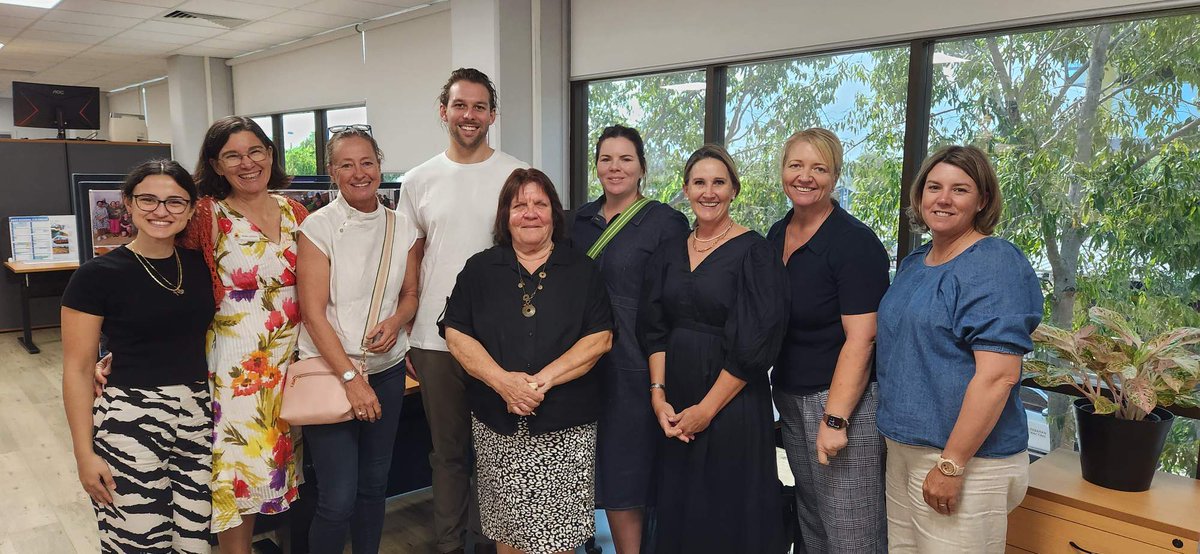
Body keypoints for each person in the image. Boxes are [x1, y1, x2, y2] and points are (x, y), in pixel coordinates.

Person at [876, 145, 1043, 553]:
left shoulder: (994, 263)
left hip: (966, 461)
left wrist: (951, 465)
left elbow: (998, 376)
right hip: (905, 450)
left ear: (982, 200)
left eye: (960, 189)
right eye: (934, 187)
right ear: (920, 195)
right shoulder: (917, 262)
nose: (944, 199)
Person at [442, 168, 614, 554]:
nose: (530, 213)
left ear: (555, 212)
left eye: (540, 204)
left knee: (560, 536)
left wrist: (538, 383)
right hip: (498, 425)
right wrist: (504, 382)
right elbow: (456, 333)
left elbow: (600, 339)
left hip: (566, 428)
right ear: (505, 215)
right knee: (509, 532)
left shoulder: (582, 270)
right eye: (520, 205)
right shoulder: (480, 269)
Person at [397, 67, 527, 554]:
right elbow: (411, 255)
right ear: (443, 111)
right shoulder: (417, 180)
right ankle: (450, 545)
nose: (469, 115)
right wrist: (409, 327)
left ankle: (492, 542)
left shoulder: (517, 175)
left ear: (492, 115)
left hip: (501, 339)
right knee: (448, 453)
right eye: (459, 105)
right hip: (434, 340)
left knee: (498, 450)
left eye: (479, 106)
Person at [637, 144, 788, 554]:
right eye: (699, 182)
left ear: (734, 190)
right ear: (685, 189)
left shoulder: (756, 252)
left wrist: (706, 410)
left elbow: (756, 344)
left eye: (719, 182)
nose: (709, 192)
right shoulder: (669, 251)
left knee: (724, 513)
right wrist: (658, 396)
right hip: (675, 399)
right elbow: (653, 328)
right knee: (680, 508)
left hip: (731, 403)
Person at [62, 160, 215, 552]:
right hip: (130, 418)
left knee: (194, 540)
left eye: (175, 202)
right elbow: (77, 369)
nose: (161, 210)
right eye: (148, 199)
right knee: (137, 541)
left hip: (198, 415)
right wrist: (84, 454)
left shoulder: (202, 267)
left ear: (190, 209)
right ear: (127, 204)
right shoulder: (96, 275)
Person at [295, 126, 421, 553]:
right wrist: (350, 378)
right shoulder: (318, 227)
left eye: (367, 162)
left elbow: (410, 294)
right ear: (332, 172)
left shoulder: (402, 226)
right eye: (346, 165)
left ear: (380, 166)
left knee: (373, 485)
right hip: (331, 373)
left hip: (386, 372)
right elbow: (313, 315)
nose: (359, 173)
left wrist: (397, 321)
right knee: (337, 498)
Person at [188, 116, 309, 552]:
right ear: (215, 165)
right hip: (237, 368)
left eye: (255, 151)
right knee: (236, 474)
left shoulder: (295, 211)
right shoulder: (207, 214)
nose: (247, 163)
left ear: (270, 155)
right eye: (232, 156)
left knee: (273, 470)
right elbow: (174, 289)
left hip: (291, 365)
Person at [765, 128, 889, 553]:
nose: (805, 176)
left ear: (835, 176)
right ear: (783, 171)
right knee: (813, 522)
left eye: (819, 168)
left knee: (851, 531)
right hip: (790, 394)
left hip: (840, 403)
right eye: (796, 165)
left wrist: (835, 420)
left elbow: (863, 339)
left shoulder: (854, 243)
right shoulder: (777, 234)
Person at [568, 124, 687, 554]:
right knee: (581, 469)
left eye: (625, 159)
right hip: (578, 367)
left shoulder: (665, 223)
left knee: (626, 476)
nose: (615, 168)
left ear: (641, 167)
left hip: (635, 366)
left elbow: (675, 302)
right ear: (596, 166)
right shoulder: (577, 222)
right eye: (606, 159)